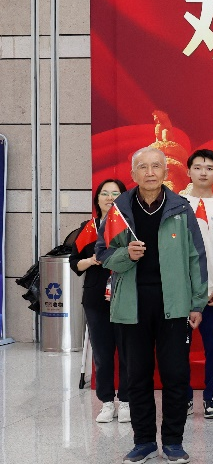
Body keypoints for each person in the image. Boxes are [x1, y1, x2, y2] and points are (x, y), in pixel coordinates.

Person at [98, 147, 207, 464]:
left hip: (174, 305)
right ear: (133, 174)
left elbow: (197, 257)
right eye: (143, 167)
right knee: (137, 375)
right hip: (131, 305)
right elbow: (102, 253)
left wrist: (197, 302)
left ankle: (173, 442)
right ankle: (143, 441)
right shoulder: (119, 209)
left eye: (156, 166)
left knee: (176, 374)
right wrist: (125, 255)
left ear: (165, 172)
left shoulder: (181, 208)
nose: (150, 172)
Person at [181, 148, 213, 419]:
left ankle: (212, 399)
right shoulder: (175, 204)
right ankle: (183, 398)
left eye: (209, 168)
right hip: (180, 293)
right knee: (179, 349)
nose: (203, 172)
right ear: (188, 171)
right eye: (198, 167)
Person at [72, 178, 129, 424]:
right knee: (103, 354)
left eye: (115, 193)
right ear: (97, 199)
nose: (110, 198)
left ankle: (126, 401)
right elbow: (75, 263)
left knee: (128, 352)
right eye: (104, 193)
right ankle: (106, 402)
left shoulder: (130, 226)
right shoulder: (88, 228)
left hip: (126, 296)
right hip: (96, 298)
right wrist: (92, 260)